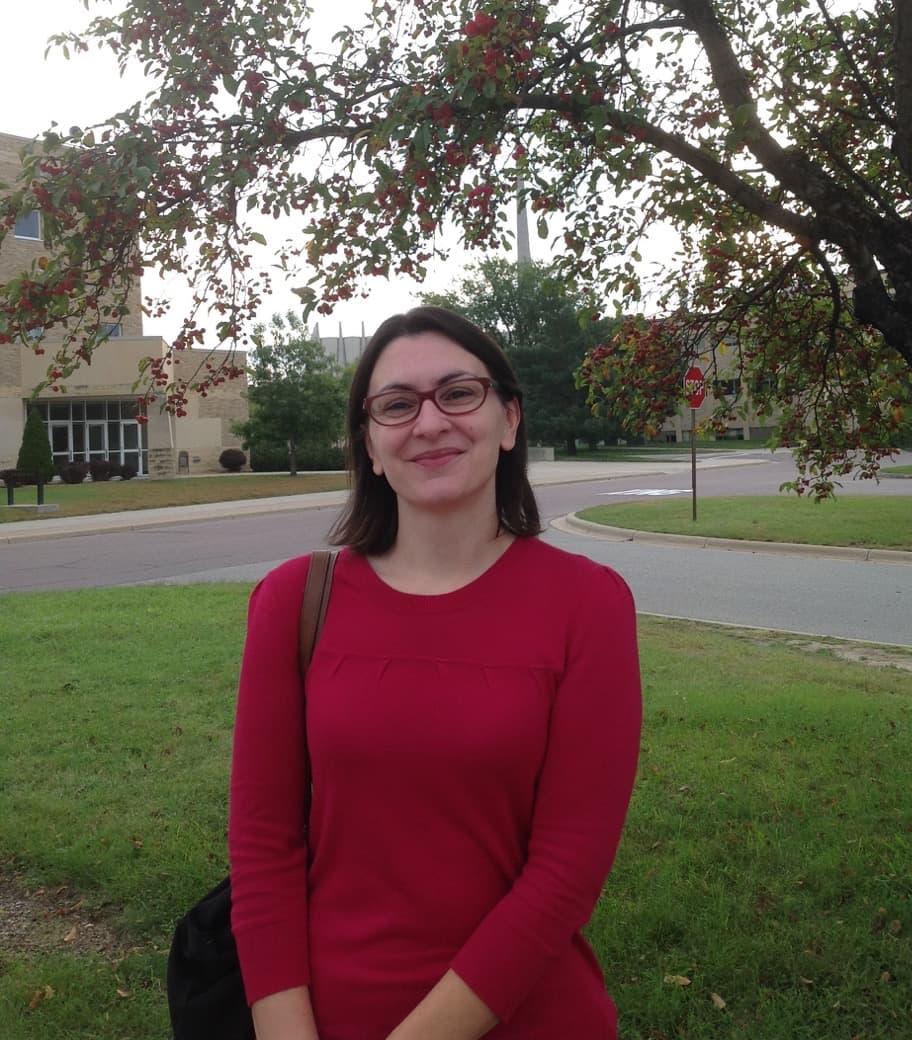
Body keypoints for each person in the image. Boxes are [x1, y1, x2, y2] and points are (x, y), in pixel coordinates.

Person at [229, 306, 642, 1040]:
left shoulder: (588, 604)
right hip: (327, 1017)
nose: (428, 422)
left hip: (530, 1016)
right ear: (370, 444)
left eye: (457, 393)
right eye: (396, 405)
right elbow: (263, 846)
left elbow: (566, 872)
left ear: (508, 420)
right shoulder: (294, 601)